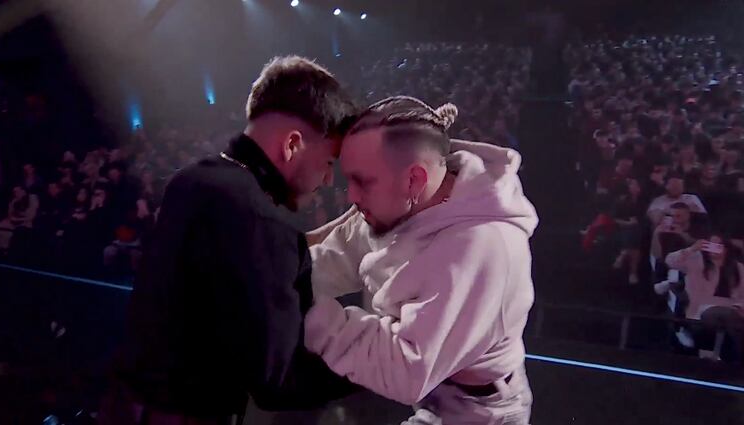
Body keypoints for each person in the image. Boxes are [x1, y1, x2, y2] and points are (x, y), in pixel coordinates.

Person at [103, 56, 358, 425]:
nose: (329, 179)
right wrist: (378, 367)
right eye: (330, 161)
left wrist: (337, 230)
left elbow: (244, 263)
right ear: (292, 144)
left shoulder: (193, 180)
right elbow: (278, 380)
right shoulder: (261, 222)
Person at [304, 97, 537, 424]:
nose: (351, 197)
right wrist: (275, 276)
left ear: (414, 179)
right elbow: (333, 259)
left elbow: (405, 370)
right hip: (437, 392)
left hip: (481, 415)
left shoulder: (480, 248)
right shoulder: (400, 200)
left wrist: (309, 313)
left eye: (363, 181)